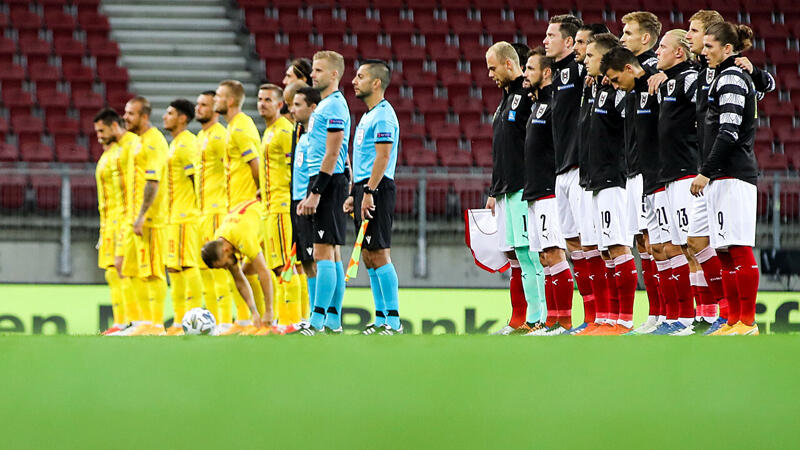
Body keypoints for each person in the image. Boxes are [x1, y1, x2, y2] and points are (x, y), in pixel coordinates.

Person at [690, 22, 761, 336]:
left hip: (733, 174)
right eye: (703, 46)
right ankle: (732, 321)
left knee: (738, 247)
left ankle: (746, 321)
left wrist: (705, 171)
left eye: (710, 46)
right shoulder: (723, 76)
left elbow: (729, 131)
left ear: (728, 49)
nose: (704, 52)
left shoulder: (731, 77)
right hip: (723, 176)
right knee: (723, 250)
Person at [546, 15, 603, 334]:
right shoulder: (555, 74)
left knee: (591, 242)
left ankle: (602, 316)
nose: (545, 39)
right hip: (561, 167)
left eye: (551, 34)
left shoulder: (583, 70)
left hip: (582, 167)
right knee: (572, 243)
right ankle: (589, 316)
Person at [581, 33, 638, 335]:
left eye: (590, 55)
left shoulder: (618, 93)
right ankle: (606, 317)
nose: (584, 59)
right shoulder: (596, 90)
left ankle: (624, 320)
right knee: (604, 251)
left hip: (614, 178)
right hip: (596, 179)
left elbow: (631, 127)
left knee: (618, 247)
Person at [484, 41, 543, 335]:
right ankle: (520, 318)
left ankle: (539, 318)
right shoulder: (505, 98)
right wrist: (495, 190)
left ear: (509, 64)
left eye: (493, 67)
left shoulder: (528, 95)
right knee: (515, 256)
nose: (490, 74)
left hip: (524, 186)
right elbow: (504, 148)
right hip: (506, 189)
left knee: (530, 252)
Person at [344, 59, 402, 335]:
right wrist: (353, 192)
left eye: (360, 76)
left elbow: (383, 156)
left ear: (376, 83)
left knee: (379, 253)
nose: (354, 81)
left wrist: (368, 191)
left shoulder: (383, 116)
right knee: (367, 255)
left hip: (376, 187)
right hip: (364, 188)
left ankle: (393, 321)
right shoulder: (368, 115)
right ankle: (380, 319)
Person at [521, 48, 575, 336]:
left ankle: (562, 321)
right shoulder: (538, 102)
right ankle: (550, 320)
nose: (525, 73)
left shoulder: (555, 102)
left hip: (549, 188)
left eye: (530, 68)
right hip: (535, 190)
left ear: (546, 72)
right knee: (543, 257)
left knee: (554, 253)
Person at [296, 50, 351, 335]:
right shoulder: (326, 106)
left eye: (317, 70)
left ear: (333, 75)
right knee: (329, 251)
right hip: (326, 180)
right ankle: (331, 321)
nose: (312, 75)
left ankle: (319, 321)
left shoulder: (333, 107)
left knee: (323, 252)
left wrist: (316, 192)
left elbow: (333, 152)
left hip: (327, 181)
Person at [618, 13, 662, 324]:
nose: (622, 38)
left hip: (654, 172)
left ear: (645, 38)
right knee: (643, 243)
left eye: (628, 32)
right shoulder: (631, 77)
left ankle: (673, 314)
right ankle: (656, 313)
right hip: (633, 170)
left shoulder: (658, 72)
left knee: (661, 243)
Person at [213, 79, 267, 335]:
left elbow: (255, 164)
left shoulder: (241, 127)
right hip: (237, 208)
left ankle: (270, 320)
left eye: (218, 96)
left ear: (231, 100)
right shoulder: (233, 127)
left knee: (265, 268)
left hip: (248, 210)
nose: (215, 100)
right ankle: (250, 320)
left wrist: (260, 195)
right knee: (242, 270)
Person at [119, 96, 169, 336]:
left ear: (144, 116)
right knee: (133, 270)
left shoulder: (153, 142)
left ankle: (156, 324)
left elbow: (152, 181)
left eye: (130, 113)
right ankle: (141, 322)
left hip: (150, 218)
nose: (125, 117)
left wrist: (141, 216)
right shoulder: (137, 141)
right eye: (126, 112)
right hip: (134, 218)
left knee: (152, 271)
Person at [571, 23, 609, 333]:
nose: (579, 52)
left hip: (612, 177)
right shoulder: (589, 85)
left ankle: (614, 317)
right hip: (589, 175)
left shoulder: (616, 86)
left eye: (585, 45)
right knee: (586, 246)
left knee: (607, 247)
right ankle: (594, 317)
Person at [256, 83, 303, 328]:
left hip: (283, 206)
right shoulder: (269, 131)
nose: (262, 103)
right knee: (277, 267)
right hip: (270, 206)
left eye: (268, 100)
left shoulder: (285, 131)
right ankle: (283, 320)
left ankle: (291, 321)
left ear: (279, 104)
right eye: (260, 99)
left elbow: (293, 169)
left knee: (287, 265)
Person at [162, 99, 204, 336]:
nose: (164, 117)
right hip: (174, 217)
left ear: (182, 118)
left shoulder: (187, 143)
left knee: (188, 266)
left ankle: (194, 318)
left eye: (170, 113)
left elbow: (194, 180)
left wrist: (197, 211)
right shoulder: (175, 143)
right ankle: (179, 321)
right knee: (175, 269)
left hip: (186, 216)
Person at [194, 90, 233, 332]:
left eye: (204, 104)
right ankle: (212, 322)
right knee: (205, 272)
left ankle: (227, 322)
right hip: (203, 211)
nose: (199, 108)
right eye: (198, 104)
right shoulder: (200, 136)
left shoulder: (221, 136)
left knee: (219, 272)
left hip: (219, 210)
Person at [201, 199, 270, 330]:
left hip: (270, 220)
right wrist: (253, 312)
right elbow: (238, 279)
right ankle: (259, 321)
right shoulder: (221, 239)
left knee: (277, 269)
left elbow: (264, 271)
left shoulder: (242, 236)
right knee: (247, 272)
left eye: (224, 264)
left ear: (225, 250)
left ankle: (274, 318)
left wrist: (269, 311)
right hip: (254, 225)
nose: (227, 267)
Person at [94, 109, 130, 335]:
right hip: (109, 223)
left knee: (124, 270)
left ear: (114, 126)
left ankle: (131, 320)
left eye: (101, 130)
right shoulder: (107, 154)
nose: (98, 135)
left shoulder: (123, 152)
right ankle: (120, 321)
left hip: (122, 220)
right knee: (111, 273)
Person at [289, 86, 319, 325]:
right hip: (298, 202)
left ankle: (322, 315)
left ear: (313, 108)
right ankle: (313, 314)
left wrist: (311, 197)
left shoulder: (317, 137)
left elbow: (318, 171)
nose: (292, 109)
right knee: (307, 262)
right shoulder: (303, 136)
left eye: (298, 105)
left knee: (317, 261)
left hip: (309, 204)